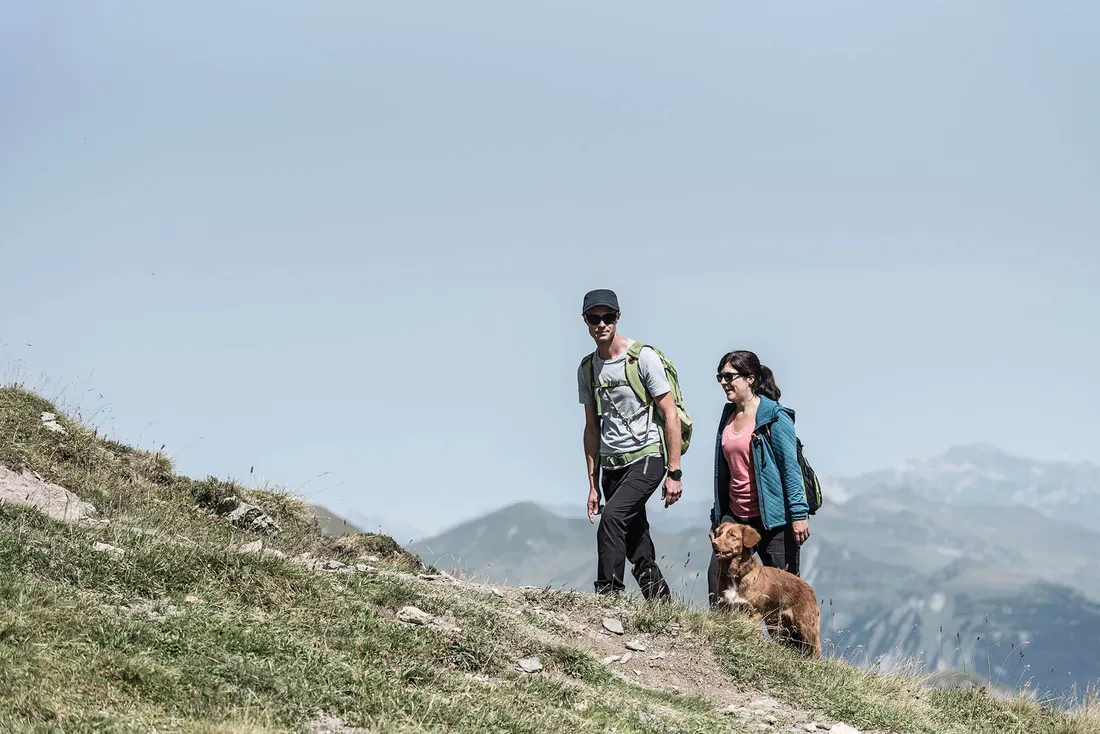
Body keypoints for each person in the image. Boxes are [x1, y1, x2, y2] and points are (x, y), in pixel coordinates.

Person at [577, 288, 681, 600]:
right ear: (585, 321)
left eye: (608, 317)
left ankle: (608, 596)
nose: (601, 324)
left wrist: (674, 472)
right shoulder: (587, 368)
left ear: (618, 317)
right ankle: (661, 602)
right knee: (635, 538)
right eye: (594, 318)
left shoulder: (641, 358)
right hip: (611, 464)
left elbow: (670, 413)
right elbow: (592, 428)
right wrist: (593, 484)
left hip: (648, 456)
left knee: (611, 518)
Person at [706, 350, 810, 608]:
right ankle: (719, 639)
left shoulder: (774, 416)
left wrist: (798, 515)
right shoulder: (728, 415)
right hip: (736, 515)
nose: (723, 382)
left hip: (773, 519)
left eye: (729, 376)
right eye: (720, 376)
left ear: (750, 379)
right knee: (716, 576)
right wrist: (718, 518)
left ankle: (790, 649)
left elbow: (791, 468)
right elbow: (724, 471)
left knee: (784, 593)